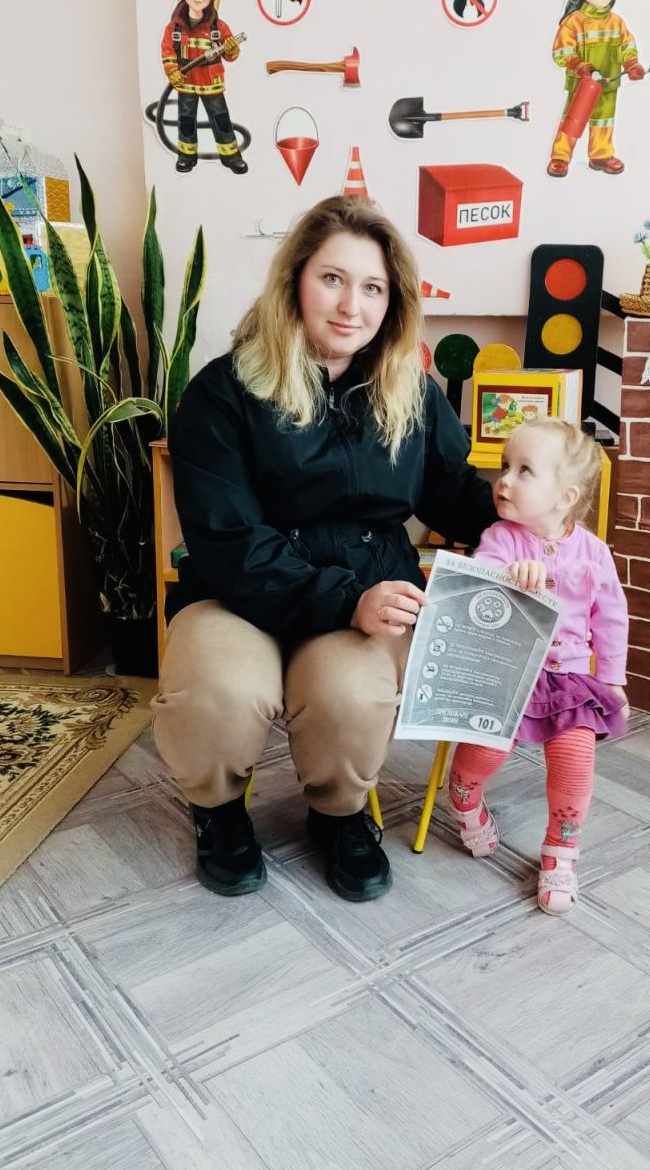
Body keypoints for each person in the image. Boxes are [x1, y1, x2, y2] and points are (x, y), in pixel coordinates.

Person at [151, 196, 496, 903]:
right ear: (295, 282)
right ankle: (218, 814)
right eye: (332, 279)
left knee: (350, 695)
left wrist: (533, 533)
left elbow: (453, 493)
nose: (350, 306)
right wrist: (346, 600)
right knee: (220, 690)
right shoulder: (222, 391)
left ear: (392, 302)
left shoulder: (414, 393)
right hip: (237, 596)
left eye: (372, 288)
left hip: (364, 595)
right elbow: (228, 539)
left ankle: (338, 816)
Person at [446, 419, 629, 915]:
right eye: (505, 466)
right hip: (508, 668)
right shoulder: (501, 539)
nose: (504, 480)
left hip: (569, 678)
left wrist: (612, 679)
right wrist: (507, 574)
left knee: (574, 763)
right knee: (486, 749)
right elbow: (478, 577)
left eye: (524, 470)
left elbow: (611, 616)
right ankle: (463, 797)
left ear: (564, 497)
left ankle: (561, 851)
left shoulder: (593, 552)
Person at [547, 0, 644, 178]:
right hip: (582, 85)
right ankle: (560, 157)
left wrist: (631, 63)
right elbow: (561, 52)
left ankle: (600, 155)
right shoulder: (574, 22)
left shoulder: (617, 23)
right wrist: (579, 66)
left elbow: (626, 45)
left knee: (604, 121)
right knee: (573, 120)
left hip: (608, 84)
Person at [160, 0, 248, 174]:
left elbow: (230, 56)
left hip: (211, 84)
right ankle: (186, 156)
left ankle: (231, 156)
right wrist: (172, 71)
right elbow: (168, 51)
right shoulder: (174, 28)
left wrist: (231, 49)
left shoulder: (219, 27)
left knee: (221, 119)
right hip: (186, 83)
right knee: (186, 121)